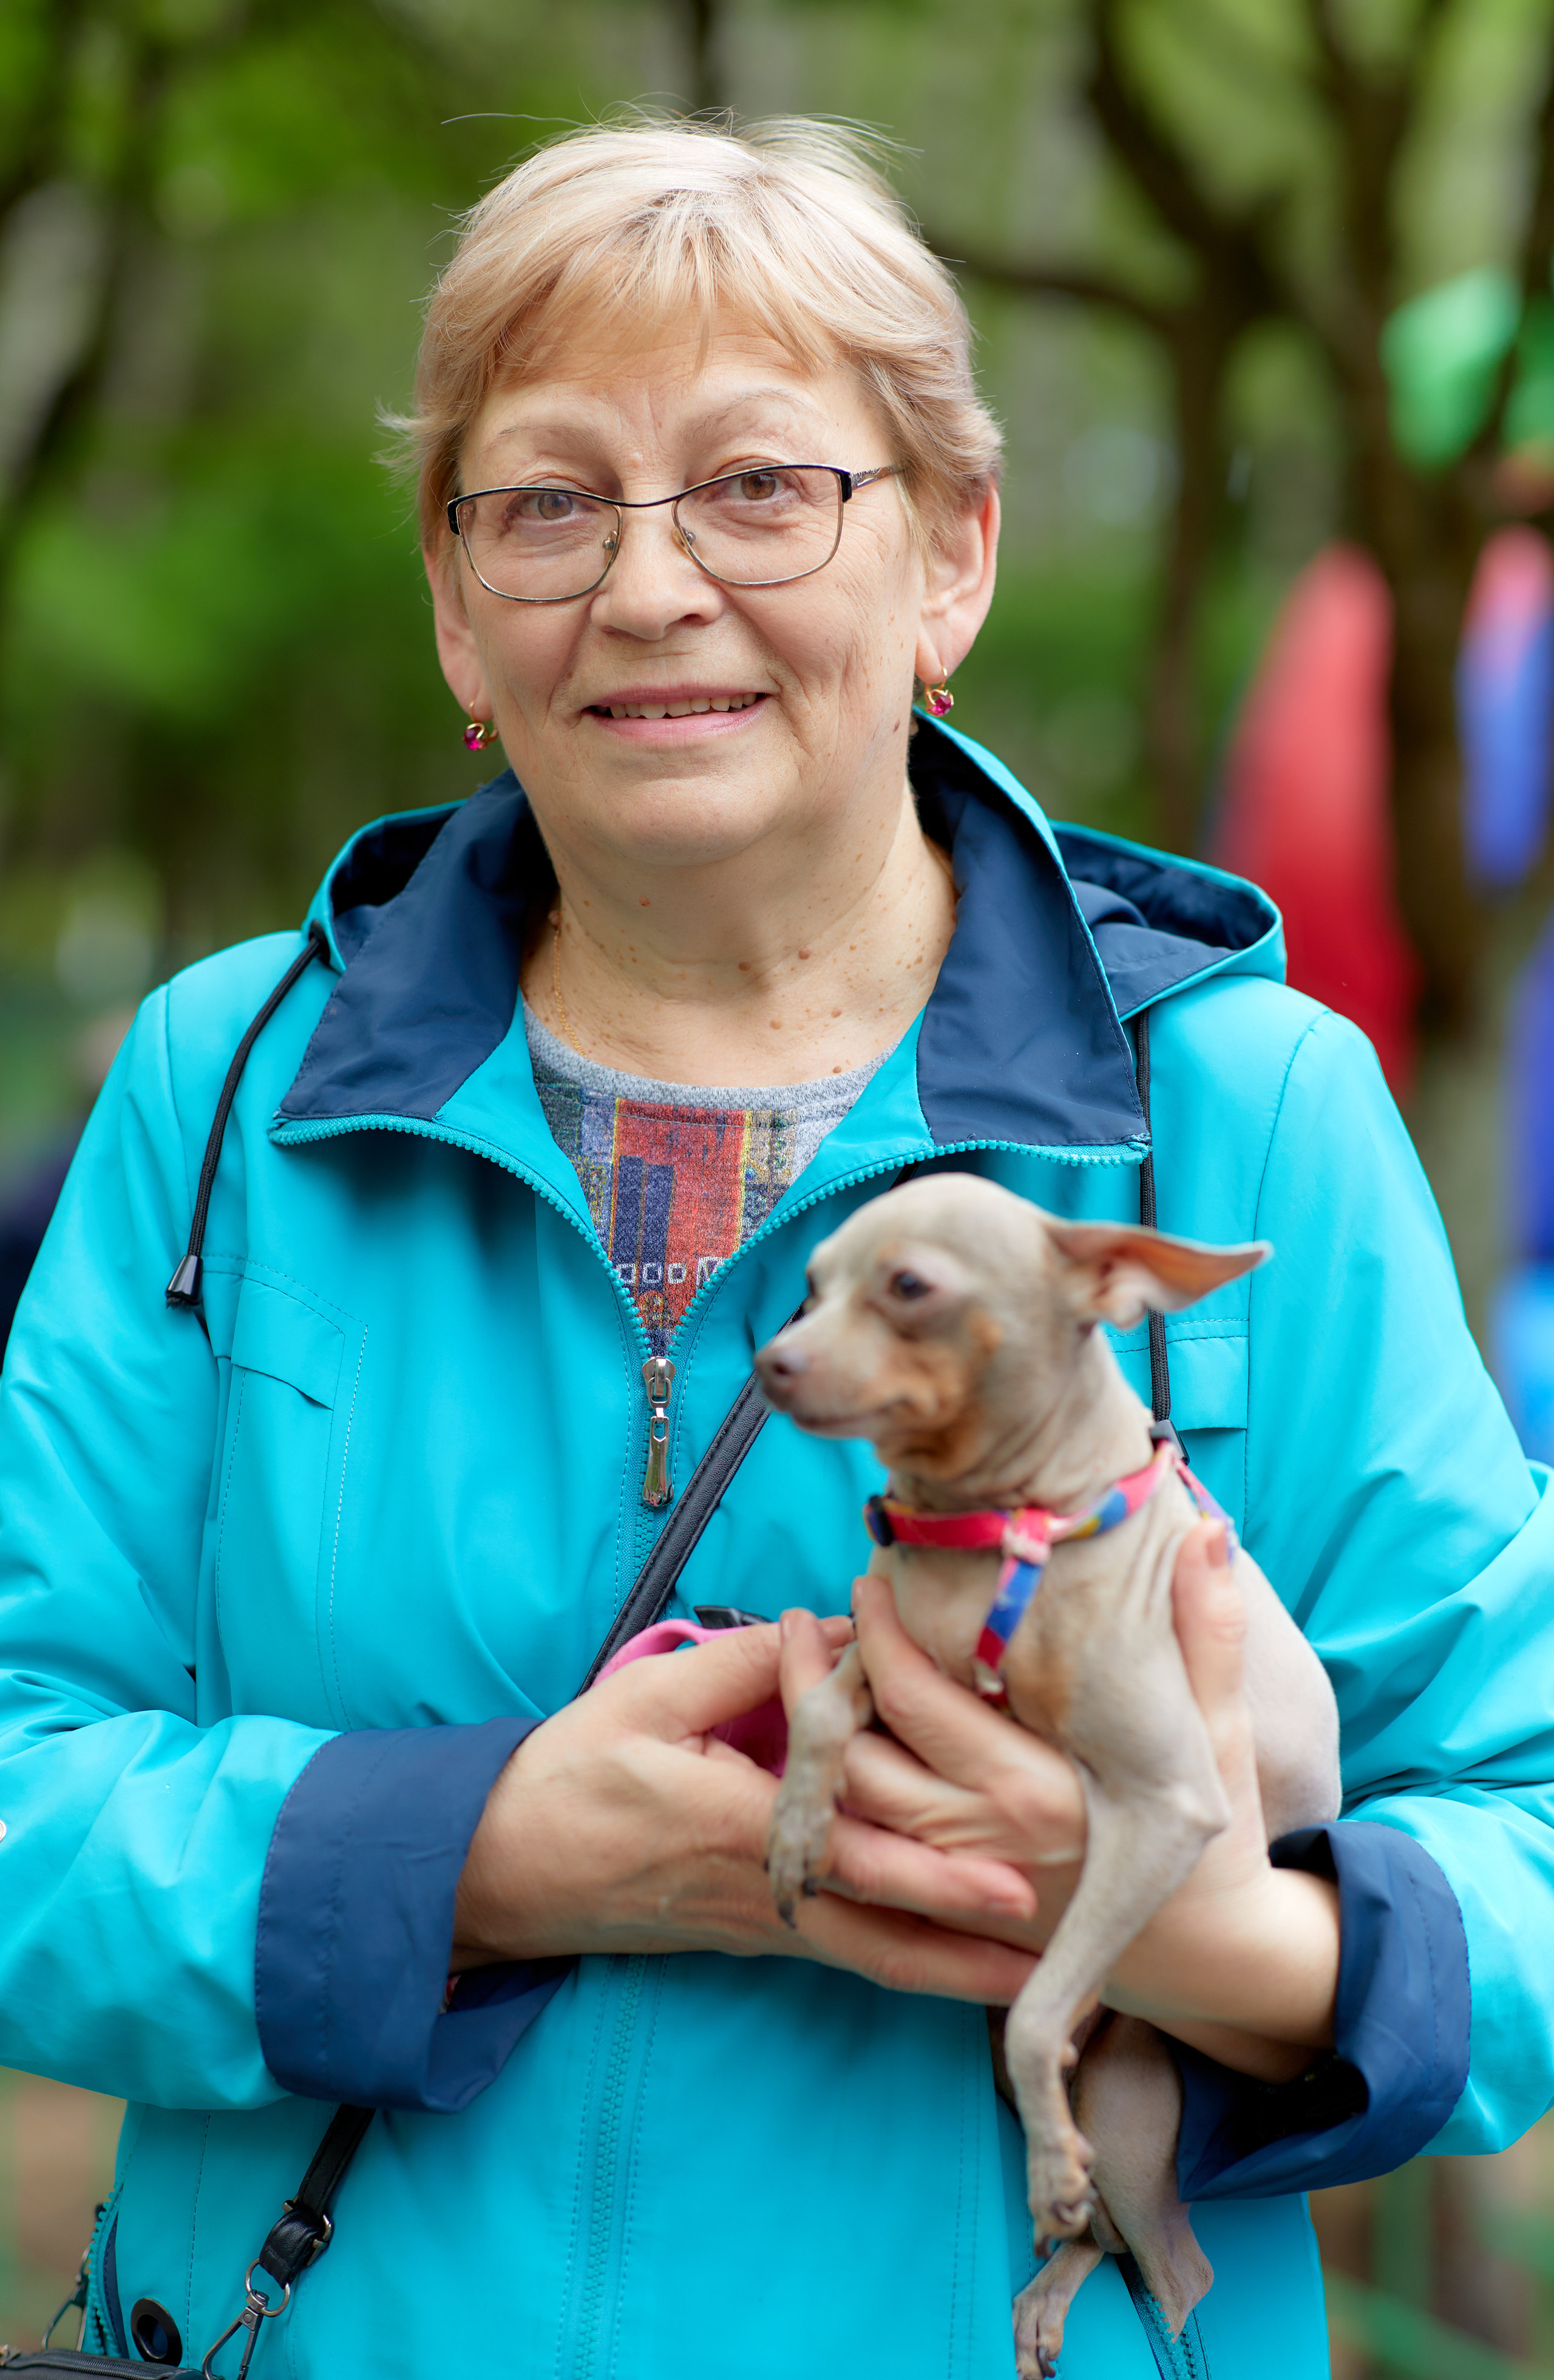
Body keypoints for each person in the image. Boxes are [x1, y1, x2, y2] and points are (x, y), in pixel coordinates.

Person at [0, 118, 1549, 2380]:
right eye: (543, 502)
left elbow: (1523, 1837)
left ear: (952, 561)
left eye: (760, 486)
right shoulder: (222, 1082)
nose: (647, 588)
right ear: (455, 603)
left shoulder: (1246, 1112)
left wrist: (1204, 1927)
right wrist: (476, 1856)